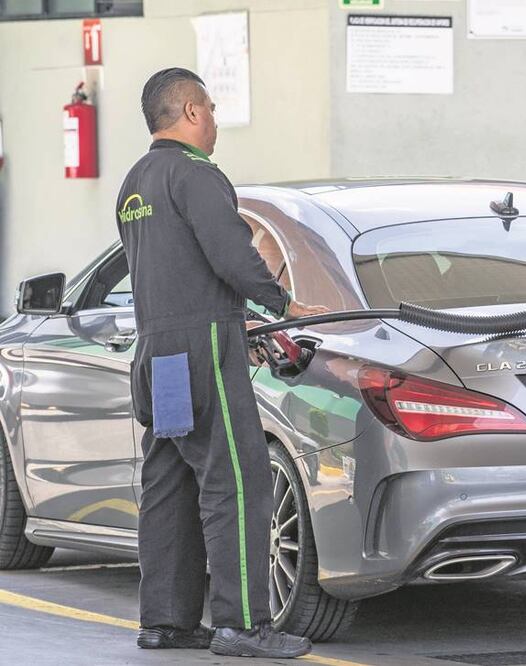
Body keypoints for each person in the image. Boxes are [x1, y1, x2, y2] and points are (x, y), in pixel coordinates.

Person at [116, 67, 327, 659]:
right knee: (237, 481)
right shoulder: (197, 175)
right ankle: (242, 625)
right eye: (209, 109)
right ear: (187, 112)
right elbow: (231, 256)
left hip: (158, 357)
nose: (215, 122)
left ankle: (166, 623)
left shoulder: (135, 185)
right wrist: (283, 304)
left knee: (171, 483)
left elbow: (176, 269)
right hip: (204, 350)